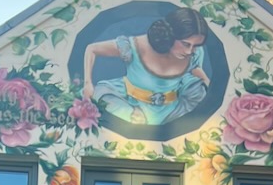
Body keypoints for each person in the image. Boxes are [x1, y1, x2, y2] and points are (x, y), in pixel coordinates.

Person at [83, 8, 211, 126]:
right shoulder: (135, 46)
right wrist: (88, 83)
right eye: (185, 44)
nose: (189, 51)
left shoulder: (194, 53)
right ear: (170, 34)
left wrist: (206, 81)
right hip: (131, 102)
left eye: (195, 45)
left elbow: (195, 68)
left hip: (172, 109)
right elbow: (92, 49)